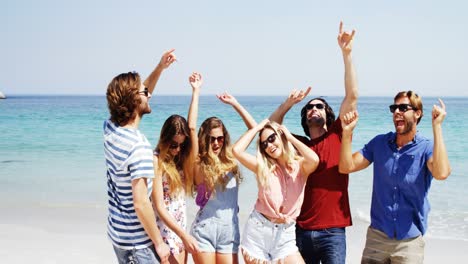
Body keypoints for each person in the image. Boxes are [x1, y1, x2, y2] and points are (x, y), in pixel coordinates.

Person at [269, 21, 358, 263]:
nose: (313, 109)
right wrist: (289, 104)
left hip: (333, 231)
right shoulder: (299, 145)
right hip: (301, 229)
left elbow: (352, 96)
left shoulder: (338, 134)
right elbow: (270, 128)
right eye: (309, 107)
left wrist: (347, 54)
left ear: (328, 114)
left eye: (319, 106)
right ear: (305, 118)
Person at [339, 91, 451, 264]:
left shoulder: (426, 148)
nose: (397, 112)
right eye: (394, 108)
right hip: (377, 236)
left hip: (410, 242)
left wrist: (437, 127)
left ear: (418, 113)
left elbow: (441, 173)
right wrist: (347, 133)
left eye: (403, 107)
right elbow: (347, 166)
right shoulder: (379, 143)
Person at [104, 49, 176, 264]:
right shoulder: (139, 147)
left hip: (119, 236)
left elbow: (140, 93)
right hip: (138, 246)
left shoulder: (110, 129)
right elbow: (141, 202)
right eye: (144, 93)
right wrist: (159, 243)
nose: (149, 94)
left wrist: (160, 68)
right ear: (135, 101)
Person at [187, 72, 257, 264]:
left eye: (220, 138)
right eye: (212, 139)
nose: (217, 143)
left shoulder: (232, 158)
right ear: (205, 139)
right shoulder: (199, 163)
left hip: (229, 230)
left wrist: (235, 104)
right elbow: (191, 128)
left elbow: (254, 129)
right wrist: (196, 91)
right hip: (205, 230)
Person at [232, 119, 320, 263]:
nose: (270, 145)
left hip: (285, 236)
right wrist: (258, 128)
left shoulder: (300, 167)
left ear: (281, 136)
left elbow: (315, 160)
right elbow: (237, 150)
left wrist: (290, 137)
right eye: (264, 144)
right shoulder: (263, 167)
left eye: (272, 138)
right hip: (258, 233)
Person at [152, 114, 200, 264]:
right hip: (164, 230)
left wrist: (196, 93)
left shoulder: (179, 161)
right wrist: (183, 235)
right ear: (164, 140)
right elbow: (159, 206)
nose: (178, 149)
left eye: (182, 145)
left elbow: (192, 130)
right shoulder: (156, 161)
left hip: (180, 228)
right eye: (174, 145)